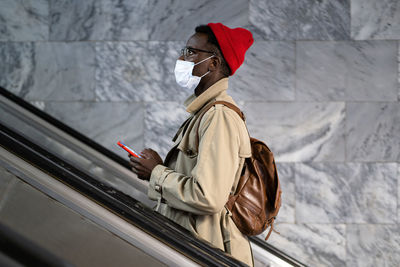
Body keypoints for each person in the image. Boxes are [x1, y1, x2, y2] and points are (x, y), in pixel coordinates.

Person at [130, 22, 254, 266]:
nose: (181, 57)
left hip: (205, 252)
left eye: (190, 52)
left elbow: (208, 196)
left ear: (214, 63)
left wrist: (157, 172)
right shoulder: (205, 113)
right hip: (192, 246)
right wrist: (154, 171)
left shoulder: (219, 117)